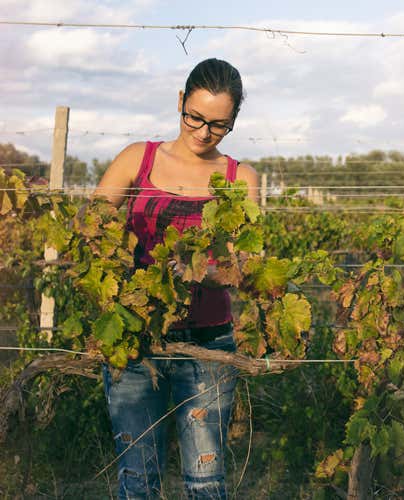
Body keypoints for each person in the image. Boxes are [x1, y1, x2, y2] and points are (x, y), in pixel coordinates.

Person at [94, 58, 259, 499]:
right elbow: (90, 230)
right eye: (195, 117)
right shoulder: (137, 159)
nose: (203, 133)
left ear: (234, 120)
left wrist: (200, 271)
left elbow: (244, 265)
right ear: (181, 101)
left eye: (219, 125)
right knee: (137, 478)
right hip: (135, 338)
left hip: (208, 344)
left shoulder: (240, 178)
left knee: (206, 482)